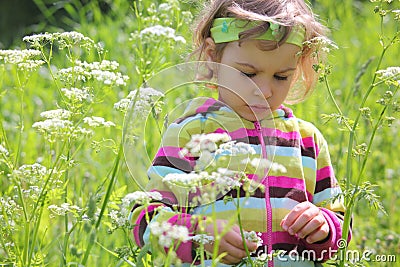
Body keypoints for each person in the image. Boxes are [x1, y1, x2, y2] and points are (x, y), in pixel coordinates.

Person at [130, 0, 350, 266]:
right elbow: (145, 220)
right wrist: (198, 234)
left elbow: (339, 229)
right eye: (248, 73)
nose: (264, 91)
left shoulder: (306, 141)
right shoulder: (191, 133)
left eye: (281, 77)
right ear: (213, 56)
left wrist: (323, 228)